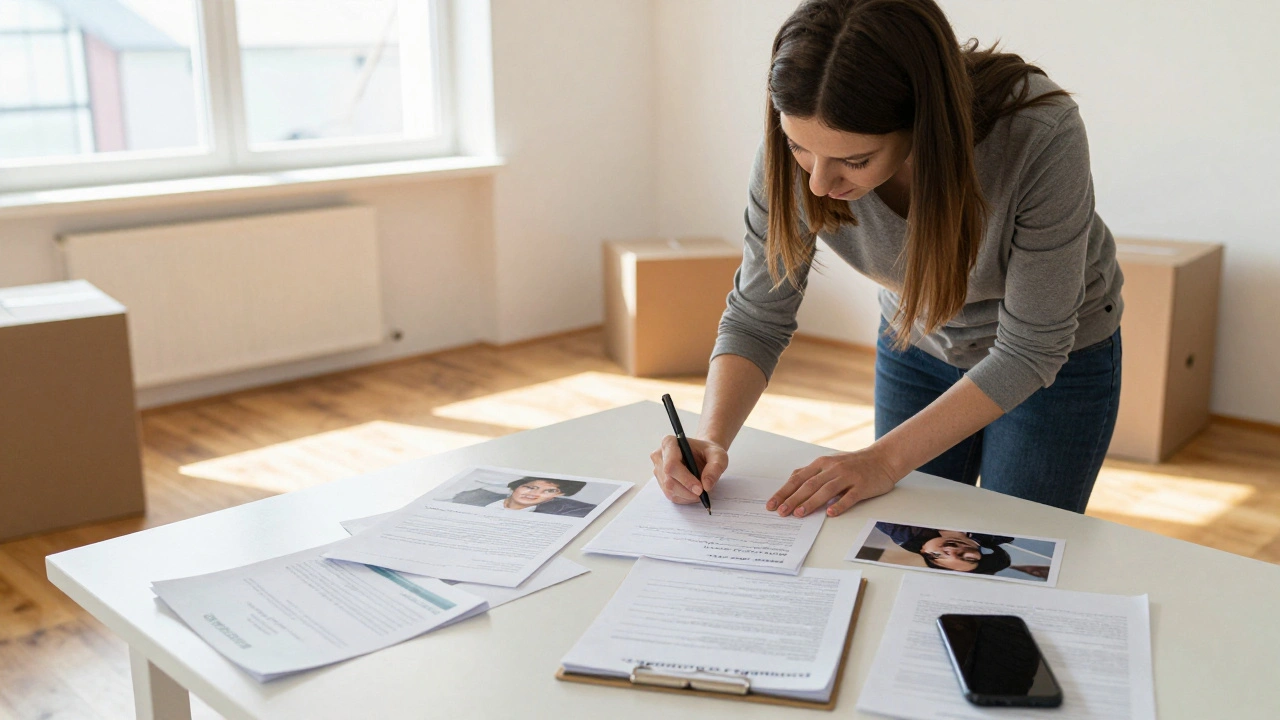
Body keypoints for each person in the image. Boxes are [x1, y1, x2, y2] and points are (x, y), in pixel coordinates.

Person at [651, 0, 1123, 517]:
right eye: (798, 148)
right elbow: (757, 316)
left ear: (924, 125)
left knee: (1012, 539)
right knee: (901, 533)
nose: (817, 183)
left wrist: (881, 461)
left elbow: (1031, 348)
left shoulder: (1039, 134)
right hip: (915, 338)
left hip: (1054, 362)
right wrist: (710, 437)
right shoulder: (801, 146)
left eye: (854, 161)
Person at [875, 522, 1012, 574]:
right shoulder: (998, 534)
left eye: (938, 555)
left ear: (923, 550)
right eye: (968, 557)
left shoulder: (901, 531)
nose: (951, 551)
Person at [448, 477, 596, 518]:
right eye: (530, 487)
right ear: (516, 486)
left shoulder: (569, 512)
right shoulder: (471, 497)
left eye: (549, 491)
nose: (534, 494)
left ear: (558, 495)